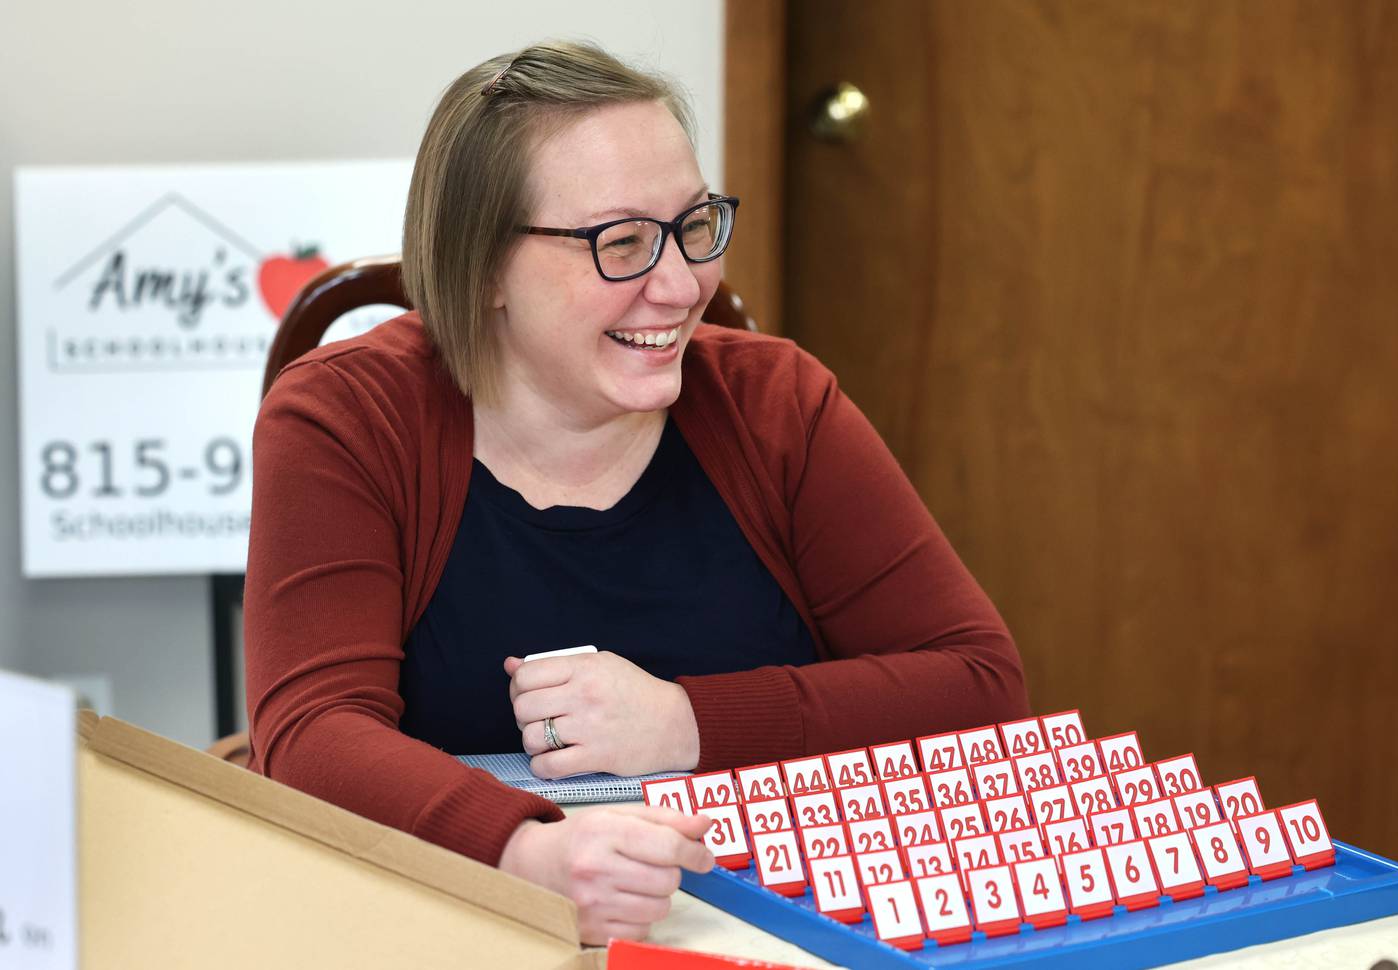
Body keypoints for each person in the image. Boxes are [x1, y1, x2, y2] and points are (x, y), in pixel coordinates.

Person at [244, 41, 1027, 945]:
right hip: (457, 923)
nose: (681, 284)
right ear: (486, 265)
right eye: (620, 244)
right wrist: (521, 856)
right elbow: (310, 735)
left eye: (694, 227)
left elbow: (977, 684)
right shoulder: (348, 419)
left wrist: (686, 722)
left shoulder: (778, 406)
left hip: (757, 930)